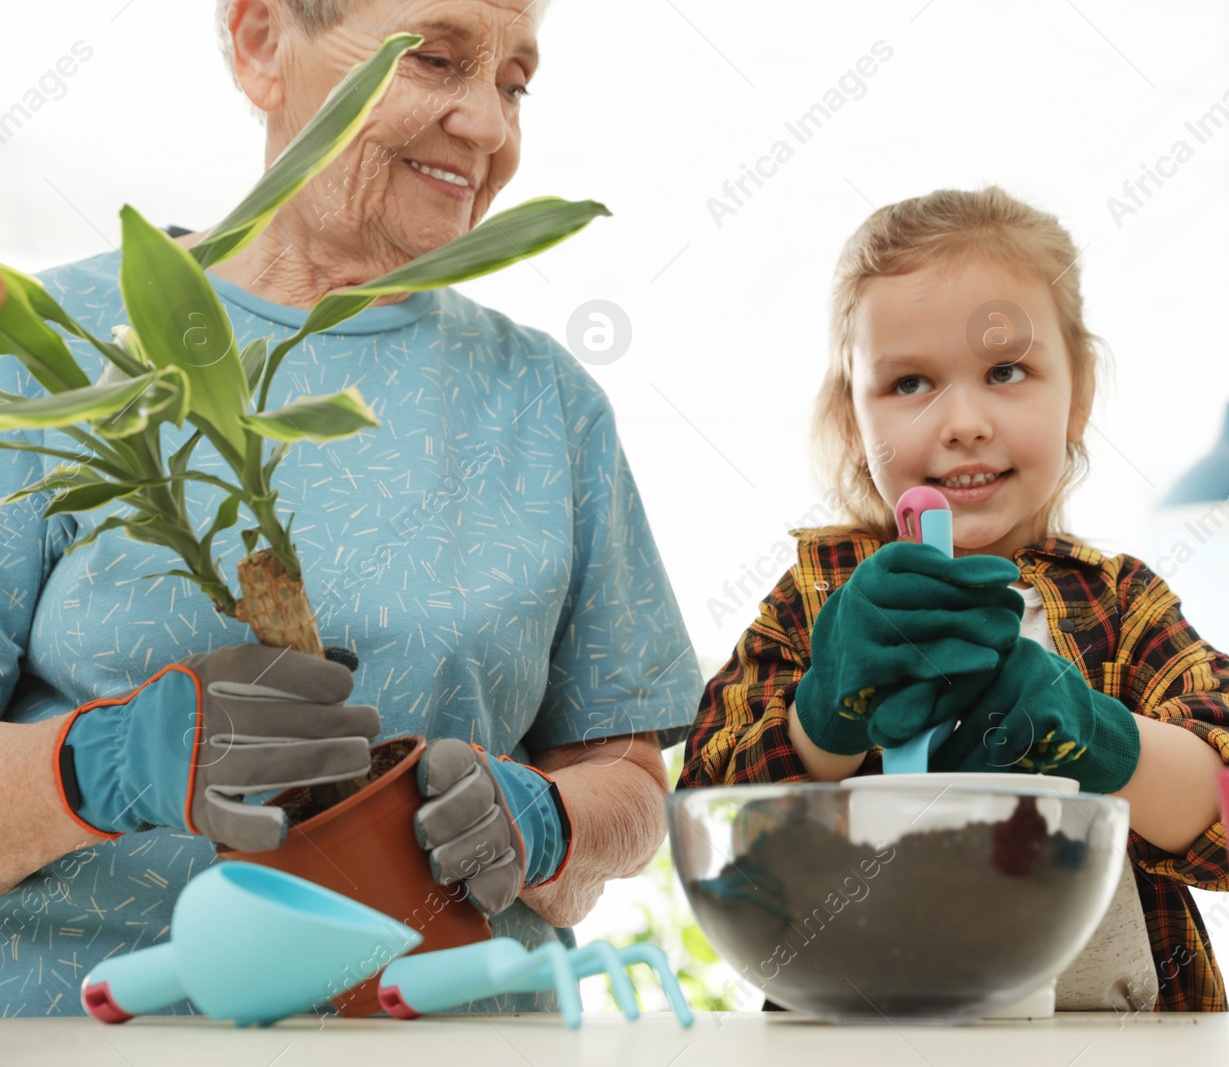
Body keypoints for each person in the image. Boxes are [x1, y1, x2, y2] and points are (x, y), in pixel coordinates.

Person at [0, 0, 703, 1016]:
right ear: (257, 42)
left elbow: (625, 775)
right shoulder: (48, 356)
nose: (491, 127)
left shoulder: (546, 402)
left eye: (513, 82)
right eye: (434, 60)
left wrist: (552, 822)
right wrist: (92, 766)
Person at [677, 186, 1229, 1013]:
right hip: (862, 1034)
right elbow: (713, 820)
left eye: (1007, 371)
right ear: (852, 422)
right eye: (910, 382)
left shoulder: (1121, 602)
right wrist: (823, 717)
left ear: (1080, 394)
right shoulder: (818, 599)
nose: (962, 420)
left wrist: (1098, 738)